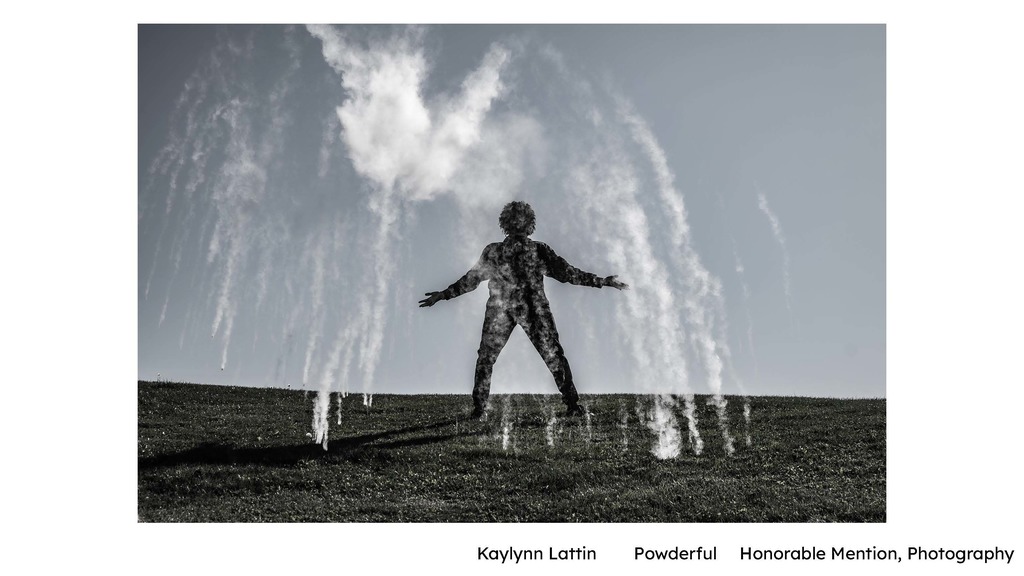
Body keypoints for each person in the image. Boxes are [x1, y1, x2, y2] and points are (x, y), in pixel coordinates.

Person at [419, 201, 628, 418]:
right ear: (509, 224)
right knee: (490, 358)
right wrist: (444, 294)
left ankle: (571, 406)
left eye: (521, 221)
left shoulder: (535, 250)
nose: (518, 225)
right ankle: (480, 409)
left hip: (528, 309)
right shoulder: (498, 251)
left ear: (525, 224)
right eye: (515, 220)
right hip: (510, 309)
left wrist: (601, 281)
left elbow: (567, 273)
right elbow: (471, 280)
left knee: (550, 356)